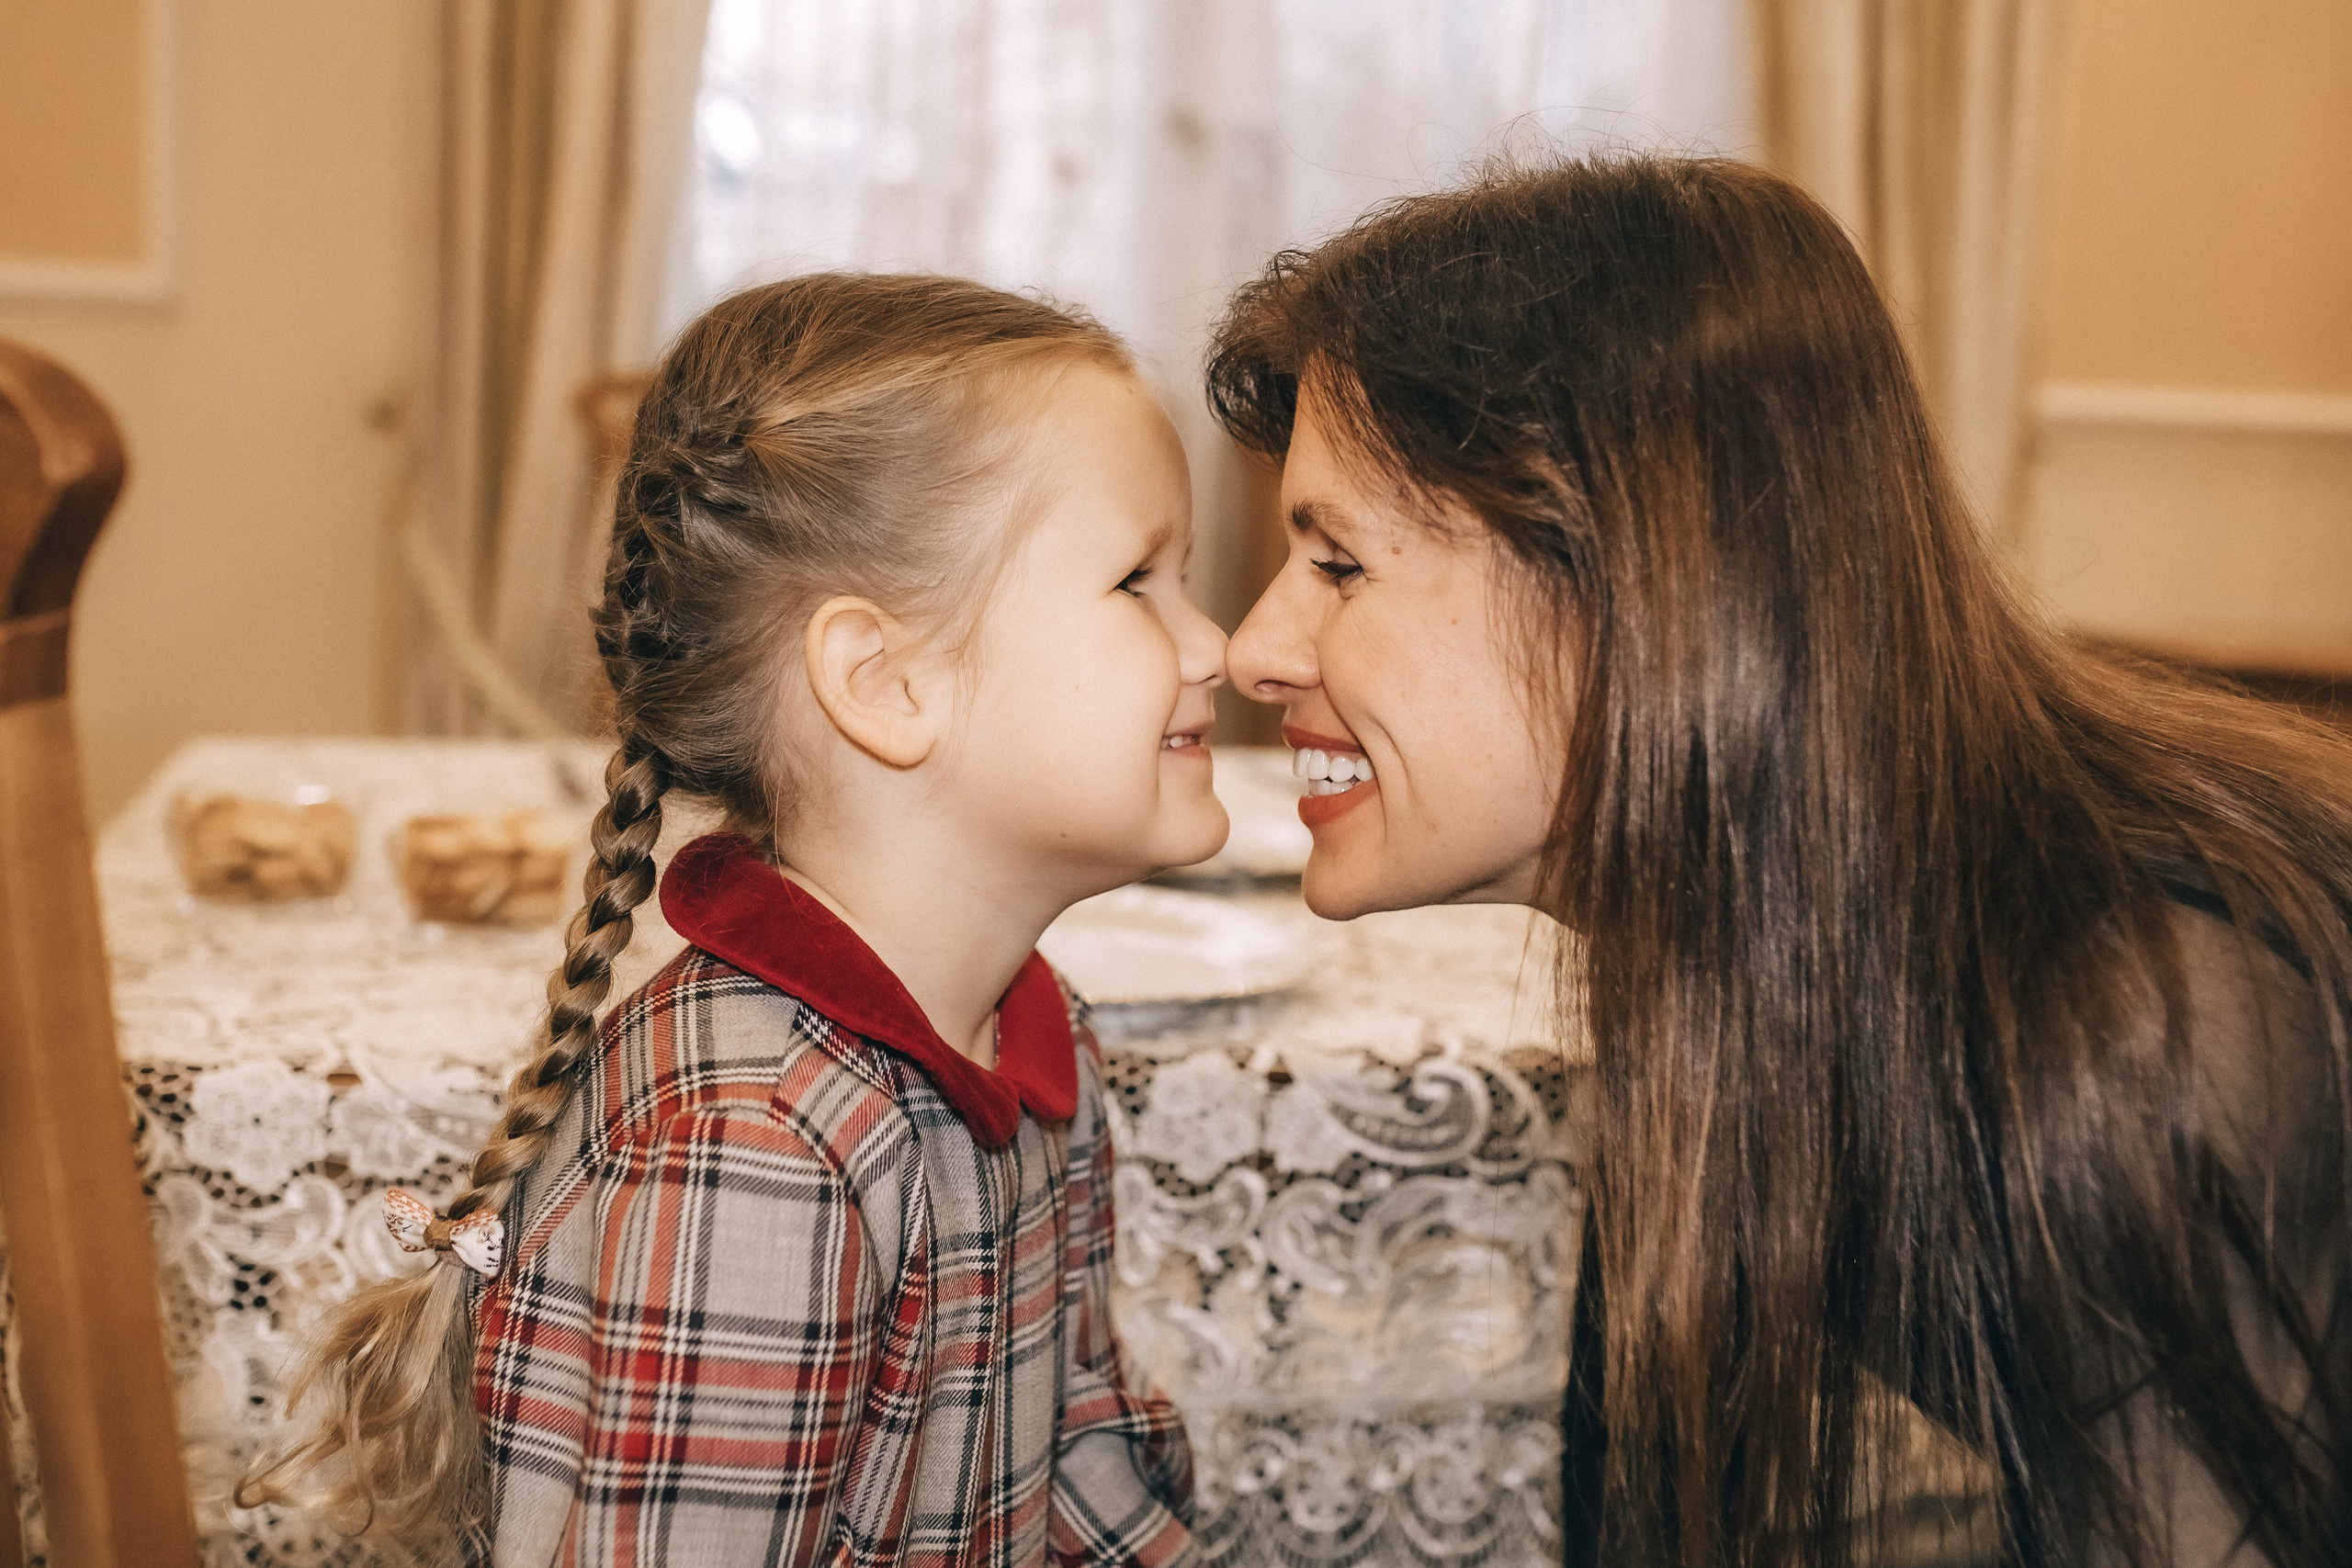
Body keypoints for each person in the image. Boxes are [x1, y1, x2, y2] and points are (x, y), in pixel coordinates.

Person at [1209, 154, 2352, 1566]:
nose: (1250, 650)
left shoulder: (2153, 1017)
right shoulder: (1734, 942)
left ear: (1631, 570)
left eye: (1338, 565)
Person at [243, 274, 1223, 1566]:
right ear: (883, 682)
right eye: (1138, 581)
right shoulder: (756, 1152)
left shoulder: (1031, 1034)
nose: (1214, 645)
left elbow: (1078, 1456)